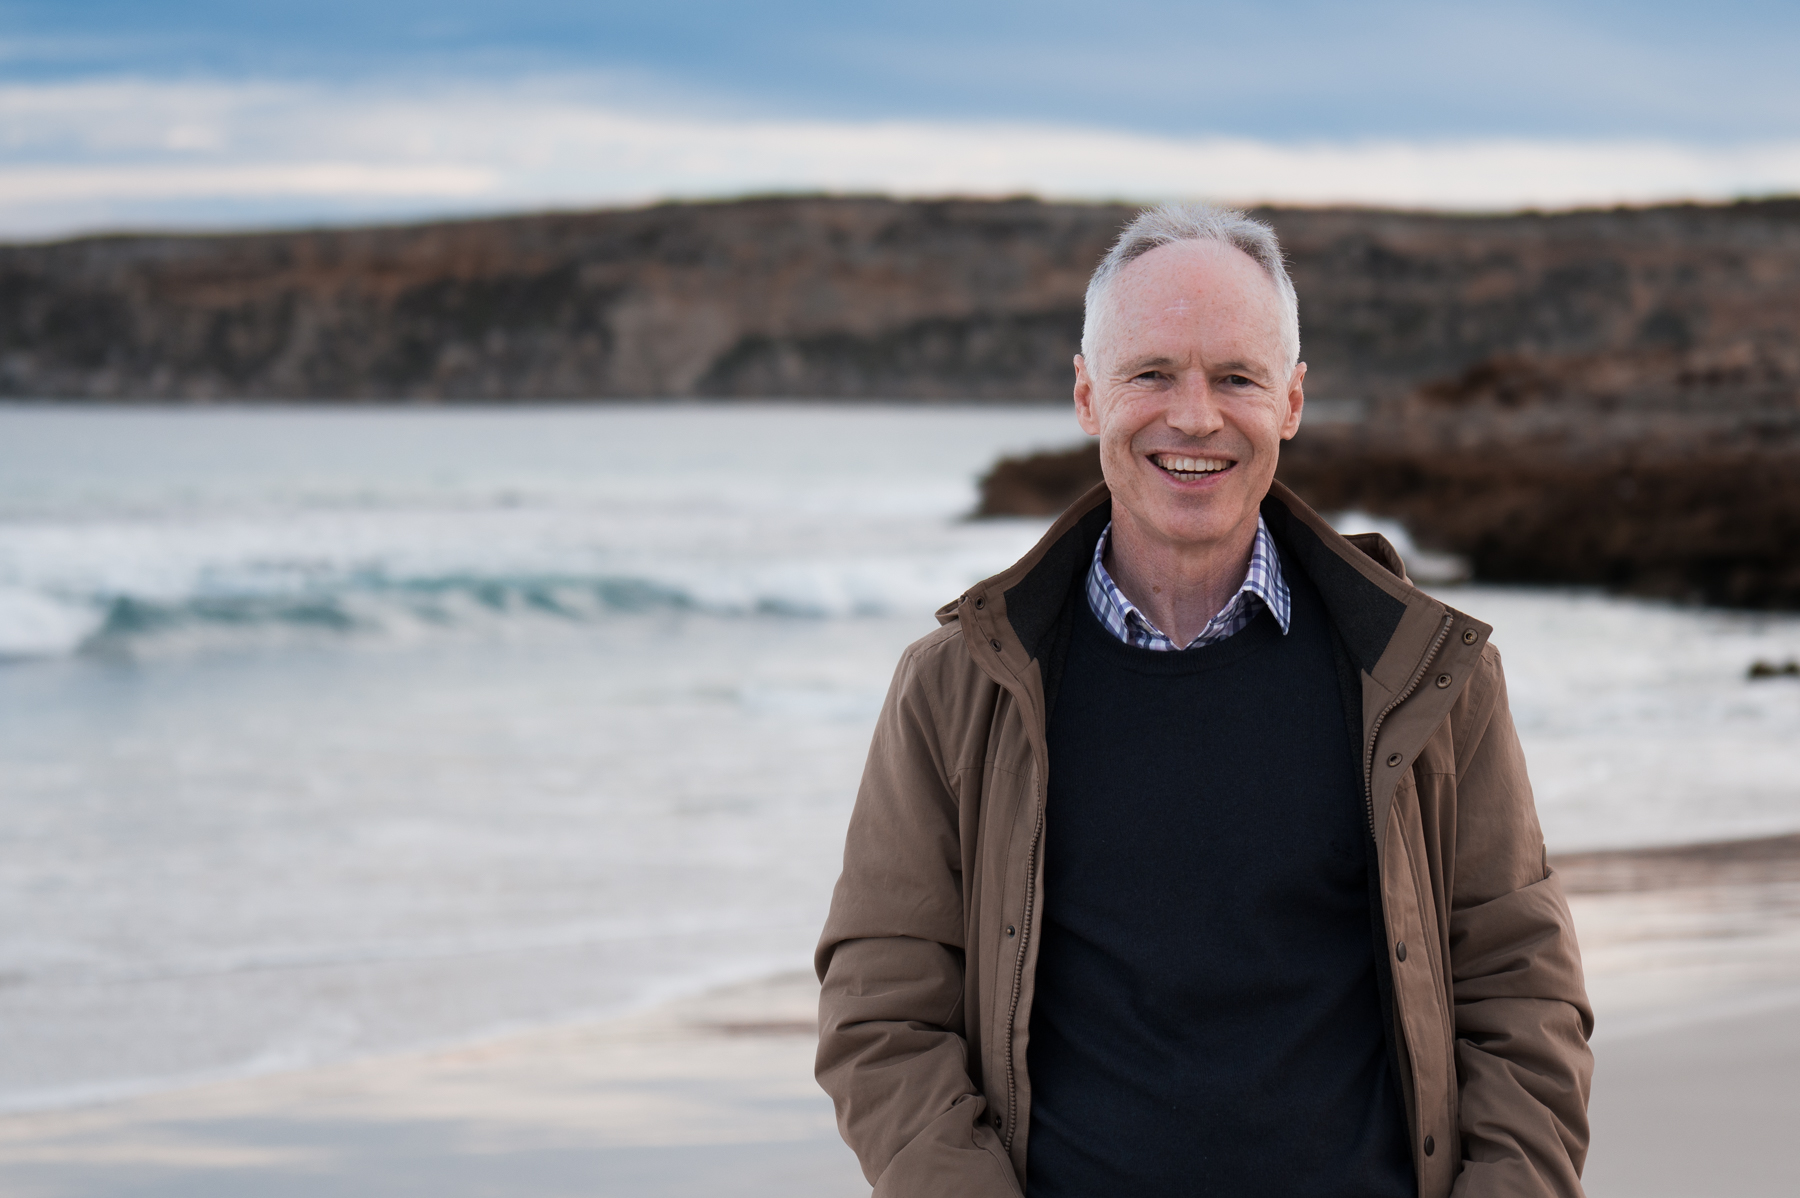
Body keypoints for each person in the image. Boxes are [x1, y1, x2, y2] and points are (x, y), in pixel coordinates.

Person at [814, 203, 1593, 1197]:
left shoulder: (1424, 675)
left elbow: (1523, 993)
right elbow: (881, 1011)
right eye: (1152, 373)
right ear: (1089, 394)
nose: (1194, 415)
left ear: (1293, 400)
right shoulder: (955, 688)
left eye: (1236, 377)